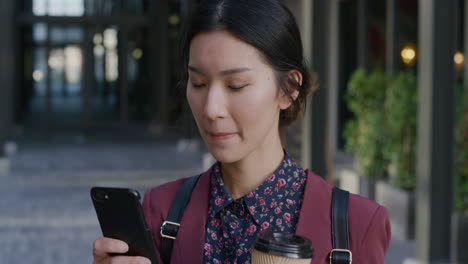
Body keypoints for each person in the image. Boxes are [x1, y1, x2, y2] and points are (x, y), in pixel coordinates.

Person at [93, 0, 391, 263]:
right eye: (198, 83)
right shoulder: (161, 211)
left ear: (289, 89)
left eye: (235, 86)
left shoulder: (357, 225)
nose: (211, 109)